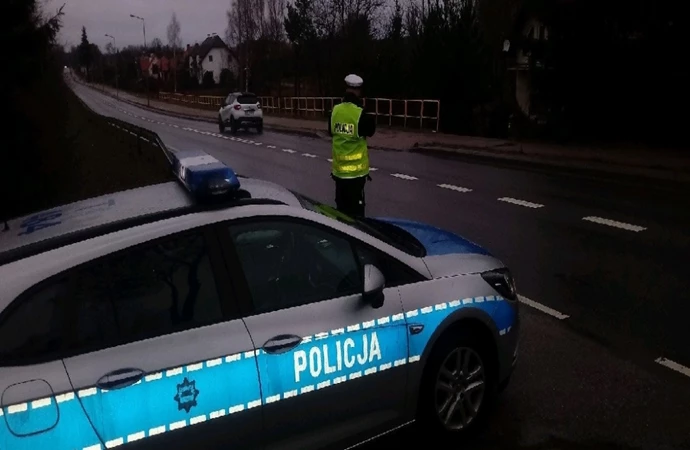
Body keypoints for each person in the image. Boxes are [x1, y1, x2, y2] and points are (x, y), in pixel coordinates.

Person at [327, 74, 376, 217]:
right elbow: (371, 130)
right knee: (357, 216)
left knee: (341, 213)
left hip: (339, 174)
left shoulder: (335, 111)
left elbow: (331, 132)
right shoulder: (360, 114)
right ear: (359, 91)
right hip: (356, 176)